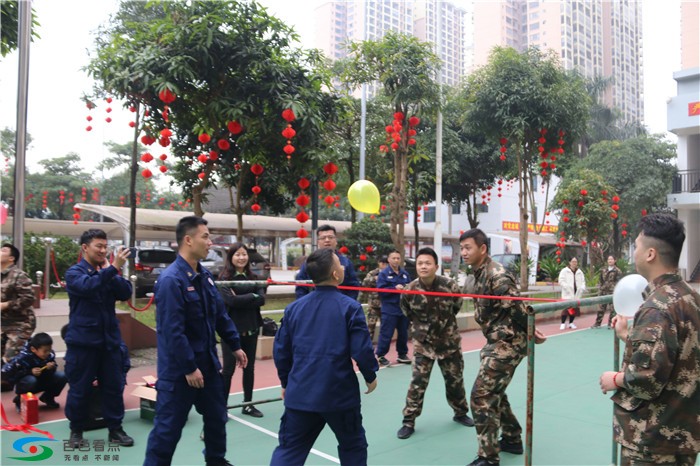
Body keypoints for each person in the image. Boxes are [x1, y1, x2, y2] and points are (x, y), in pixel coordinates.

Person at [144, 216, 248, 466]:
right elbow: (172, 331)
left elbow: (219, 315)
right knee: (168, 430)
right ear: (188, 240)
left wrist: (235, 345)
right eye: (205, 237)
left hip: (208, 366)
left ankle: (216, 460)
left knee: (216, 417)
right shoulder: (171, 281)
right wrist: (189, 367)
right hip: (180, 373)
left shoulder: (205, 276)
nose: (210, 242)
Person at [599, 213, 699, 465]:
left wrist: (616, 379)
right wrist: (629, 337)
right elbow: (681, 354)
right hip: (683, 435)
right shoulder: (691, 298)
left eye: (637, 246)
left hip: (652, 443)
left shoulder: (656, 307)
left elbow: (647, 381)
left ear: (650, 254)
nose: (634, 253)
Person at [270, 248, 378, 466]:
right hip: (339, 394)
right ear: (336, 275)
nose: (343, 266)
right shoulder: (350, 308)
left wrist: (286, 381)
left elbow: (281, 350)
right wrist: (370, 375)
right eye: (339, 263)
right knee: (353, 446)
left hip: (301, 392)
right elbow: (361, 349)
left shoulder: (294, 309)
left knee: (290, 450)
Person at [460, 228, 547, 466]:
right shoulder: (477, 274)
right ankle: (511, 437)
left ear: (483, 248)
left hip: (509, 343)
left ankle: (488, 458)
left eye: (468, 248)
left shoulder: (497, 275)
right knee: (494, 391)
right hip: (495, 341)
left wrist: (532, 331)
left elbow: (518, 307)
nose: (464, 253)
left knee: (482, 395)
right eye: (462, 249)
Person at [64, 229, 134, 448]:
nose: (104, 251)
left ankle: (116, 430)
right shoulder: (75, 273)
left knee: (113, 387)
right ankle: (76, 430)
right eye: (99, 247)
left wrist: (113, 271)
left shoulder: (108, 272)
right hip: (83, 343)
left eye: (106, 247)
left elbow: (125, 292)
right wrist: (112, 268)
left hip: (109, 342)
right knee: (79, 388)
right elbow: (87, 286)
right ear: (85, 248)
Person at [396, 247, 474, 440]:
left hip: (449, 343)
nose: (423, 266)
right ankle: (408, 421)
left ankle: (460, 412)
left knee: (455, 381)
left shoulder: (450, 286)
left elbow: (455, 307)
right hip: (424, 344)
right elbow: (407, 312)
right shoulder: (410, 290)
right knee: (417, 383)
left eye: (428, 263)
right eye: (420, 263)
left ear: (436, 266)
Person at [218, 242, 266, 417]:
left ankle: (248, 404)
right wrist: (251, 295)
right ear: (231, 257)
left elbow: (261, 299)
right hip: (231, 333)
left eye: (244, 254)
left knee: (249, 369)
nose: (241, 257)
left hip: (251, 330)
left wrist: (243, 297)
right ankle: (221, 407)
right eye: (237, 254)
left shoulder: (255, 277)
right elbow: (230, 301)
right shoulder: (224, 278)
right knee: (228, 371)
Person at [1, 332, 67, 412]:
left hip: (41, 380)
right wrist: (29, 372)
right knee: (31, 380)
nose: (48, 353)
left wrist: (51, 368)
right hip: (27, 383)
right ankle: (20, 400)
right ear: (33, 349)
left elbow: (51, 372)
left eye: (49, 350)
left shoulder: (50, 355)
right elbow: (6, 373)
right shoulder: (23, 357)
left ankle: (47, 397)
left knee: (63, 376)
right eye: (45, 351)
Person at [294, 225, 360, 300]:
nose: (327, 240)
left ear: (336, 241)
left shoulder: (346, 263)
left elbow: (353, 286)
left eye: (331, 237)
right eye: (323, 238)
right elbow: (301, 286)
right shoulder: (310, 262)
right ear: (318, 242)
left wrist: (346, 304)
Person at [375, 250, 412, 366]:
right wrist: (394, 289)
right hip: (389, 309)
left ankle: (402, 354)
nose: (396, 260)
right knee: (386, 333)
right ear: (389, 260)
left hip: (402, 309)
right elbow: (380, 291)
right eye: (394, 258)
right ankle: (380, 355)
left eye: (398, 258)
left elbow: (411, 288)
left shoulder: (405, 274)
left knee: (403, 333)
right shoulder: (384, 274)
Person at [1, 243, 36, 364]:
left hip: (20, 324)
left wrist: (6, 305)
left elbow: (29, 298)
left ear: (11, 258)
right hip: (2, 323)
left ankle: (24, 382)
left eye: (3, 250)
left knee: (9, 360)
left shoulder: (19, 275)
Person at [358, 255, 388, 342]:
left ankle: (382, 345)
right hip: (373, 304)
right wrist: (374, 279)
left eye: (386, 263)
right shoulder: (373, 273)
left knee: (385, 327)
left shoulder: (389, 274)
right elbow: (364, 284)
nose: (384, 265)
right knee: (370, 326)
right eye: (383, 263)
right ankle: (368, 343)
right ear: (379, 263)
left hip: (385, 304)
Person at [592, 255, 623, 328]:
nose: (610, 261)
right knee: (601, 308)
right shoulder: (603, 269)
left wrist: (617, 290)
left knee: (612, 309)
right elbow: (600, 280)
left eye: (611, 259)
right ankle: (597, 323)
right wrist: (600, 288)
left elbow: (619, 282)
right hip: (603, 291)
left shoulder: (617, 271)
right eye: (609, 259)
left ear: (615, 261)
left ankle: (610, 324)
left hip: (612, 292)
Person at [557, 257, 586, 330]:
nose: (574, 263)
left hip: (576, 293)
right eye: (573, 261)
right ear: (569, 262)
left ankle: (571, 323)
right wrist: (566, 287)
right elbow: (561, 281)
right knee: (566, 309)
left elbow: (583, 281)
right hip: (567, 293)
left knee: (574, 310)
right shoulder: (564, 271)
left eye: (575, 262)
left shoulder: (579, 272)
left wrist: (582, 288)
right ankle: (563, 323)